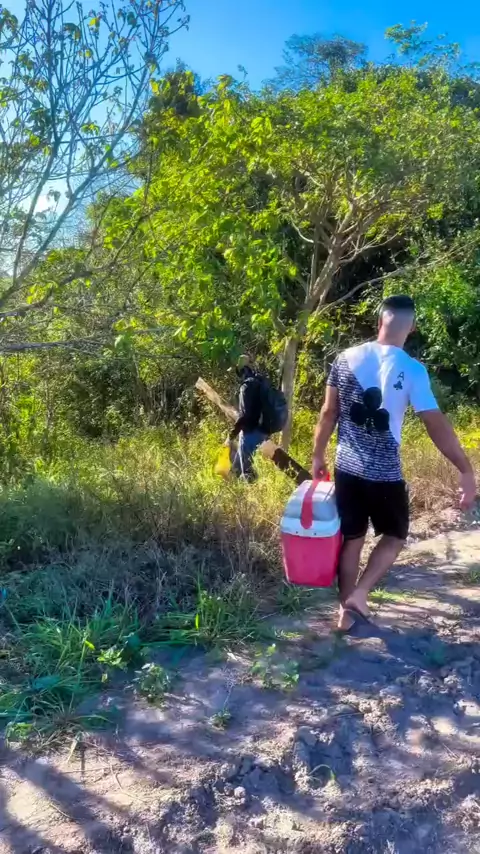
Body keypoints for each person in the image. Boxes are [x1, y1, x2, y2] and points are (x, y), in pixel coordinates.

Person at [312, 295, 476, 632]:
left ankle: (345, 612)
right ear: (411, 328)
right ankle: (360, 593)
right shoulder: (413, 370)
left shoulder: (345, 358)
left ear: (379, 322)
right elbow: (434, 424)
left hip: (347, 467)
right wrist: (465, 468)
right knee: (395, 535)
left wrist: (317, 454)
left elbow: (328, 413)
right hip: (384, 473)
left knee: (352, 539)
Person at [227, 355, 287, 481]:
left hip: (250, 432)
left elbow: (245, 416)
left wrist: (232, 435)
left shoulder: (246, 386)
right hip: (264, 430)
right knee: (240, 466)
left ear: (241, 370)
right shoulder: (261, 381)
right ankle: (237, 482)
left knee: (245, 471)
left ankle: (251, 490)